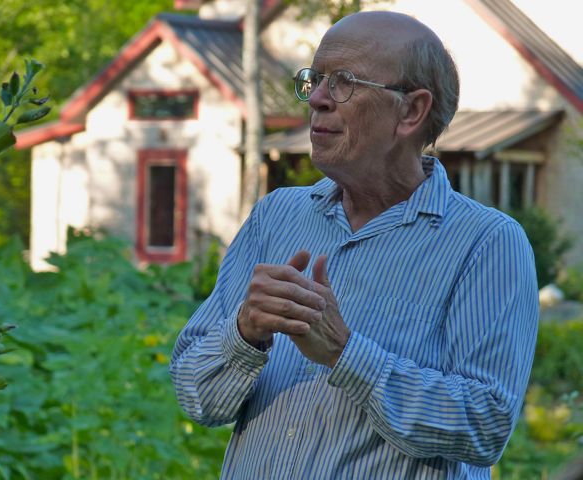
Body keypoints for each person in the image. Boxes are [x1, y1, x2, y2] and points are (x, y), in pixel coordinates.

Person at [170, 10, 539, 479]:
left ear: (411, 111)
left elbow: (484, 426)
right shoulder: (276, 215)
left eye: (343, 82)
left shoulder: (486, 243)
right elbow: (195, 396)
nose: (318, 99)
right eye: (315, 79)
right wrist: (245, 332)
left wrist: (346, 354)